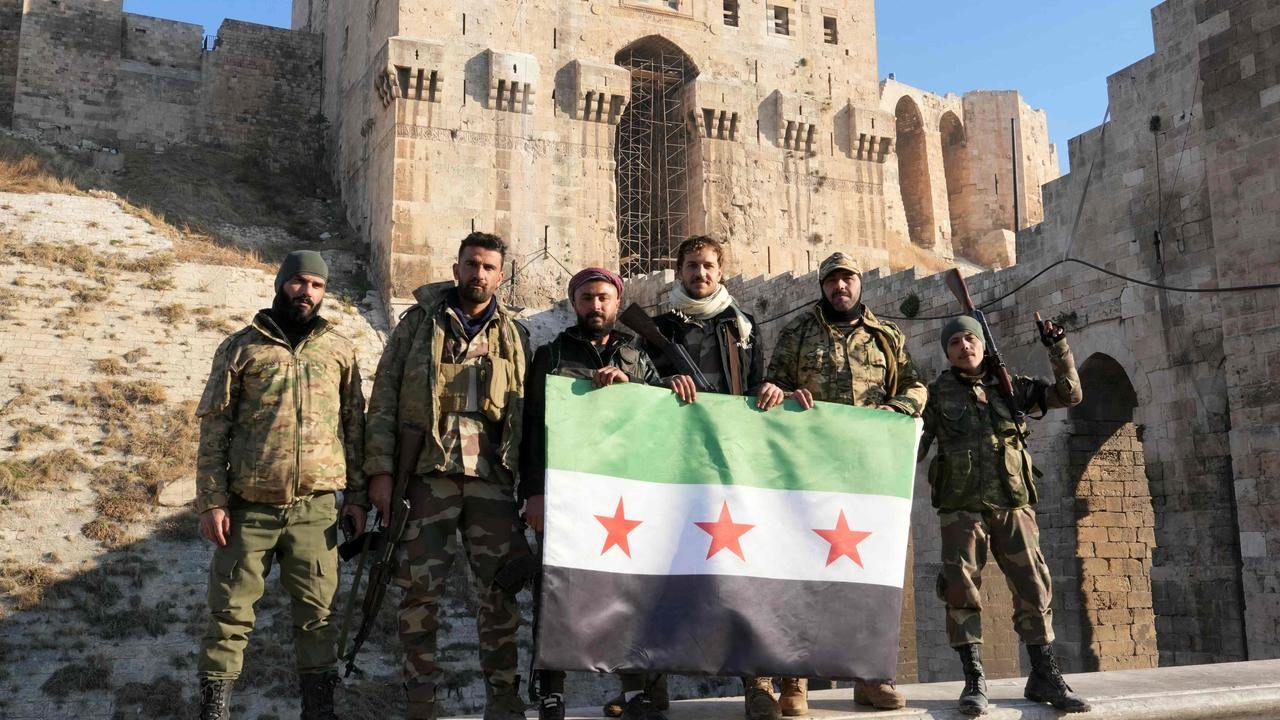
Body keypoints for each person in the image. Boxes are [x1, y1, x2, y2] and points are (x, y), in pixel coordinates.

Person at [363, 232, 532, 720]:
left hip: (492, 480)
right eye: (471, 264)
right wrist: (380, 473)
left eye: (488, 268)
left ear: (501, 276)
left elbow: (527, 410)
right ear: (455, 267)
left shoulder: (514, 334)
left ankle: (503, 700)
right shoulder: (418, 324)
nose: (478, 274)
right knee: (419, 596)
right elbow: (384, 400)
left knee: (500, 594)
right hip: (427, 476)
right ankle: (421, 704)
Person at [194, 250, 366, 720]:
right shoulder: (241, 347)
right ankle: (215, 711)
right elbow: (215, 427)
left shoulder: (339, 350)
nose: (306, 292)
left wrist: (358, 498)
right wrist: (212, 501)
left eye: (317, 285)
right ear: (281, 283)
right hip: (248, 507)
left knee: (319, 617)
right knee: (230, 615)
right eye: (299, 282)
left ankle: (319, 710)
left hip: (316, 510)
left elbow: (355, 427)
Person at [765, 251, 928, 713]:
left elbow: (916, 387)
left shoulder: (886, 336)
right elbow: (771, 385)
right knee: (799, 572)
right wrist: (779, 394)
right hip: (810, 473)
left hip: (868, 475)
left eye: (848, 279)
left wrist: (893, 410)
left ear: (860, 284)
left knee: (870, 575)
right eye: (833, 280)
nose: (841, 287)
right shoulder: (797, 334)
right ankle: (793, 683)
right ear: (822, 286)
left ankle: (871, 677)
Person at [639, 235, 789, 720]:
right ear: (679, 271)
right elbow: (639, 386)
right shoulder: (658, 328)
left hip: (731, 464)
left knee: (745, 577)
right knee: (665, 574)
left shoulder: (742, 326)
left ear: (720, 272)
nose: (699, 274)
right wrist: (663, 386)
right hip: (675, 467)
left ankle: (758, 684)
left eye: (707, 266)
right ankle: (650, 683)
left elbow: (757, 382)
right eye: (691, 266)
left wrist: (769, 389)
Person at [919, 313, 1091, 715]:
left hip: (1014, 503)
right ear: (947, 351)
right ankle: (975, 679)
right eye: (955, 342)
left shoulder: (1013, 387)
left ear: (982, 343)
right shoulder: (937, 394)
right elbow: (913, 442)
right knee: (961, 590)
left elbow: (1069, 395)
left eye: (970, 339)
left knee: (1034, 586)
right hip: (962, 509)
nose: (964, 347)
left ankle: (1045, 675)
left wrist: (1058, 348)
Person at [520, 267, 664, 720]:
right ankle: (551, 689)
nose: (595, 306)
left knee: (629, 589)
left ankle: (635, 687)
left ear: (617, 303)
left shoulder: (637, 357)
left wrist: (630, 390)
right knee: (556, 590)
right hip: (565, 493)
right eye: (586, 298)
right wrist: (534, 493)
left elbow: (660, 418)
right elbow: (532, 429)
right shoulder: (550, 354)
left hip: (622, 495)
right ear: (574, 303)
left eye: (603, 298)